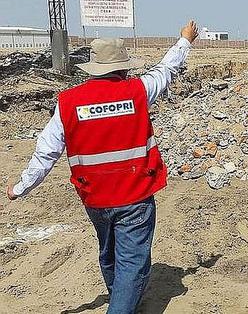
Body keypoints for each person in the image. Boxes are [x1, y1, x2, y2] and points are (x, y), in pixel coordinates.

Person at [5, 20, 198, 314]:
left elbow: (46, 151)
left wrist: (21, 187)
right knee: (132, 264)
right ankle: (122, 305)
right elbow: (165, 69)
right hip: (135, 196)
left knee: (109, 255)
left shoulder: (68, 102)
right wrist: (185, 41)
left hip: (95, 198)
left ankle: (123, 299)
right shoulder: (138, 91)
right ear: (122, 67)